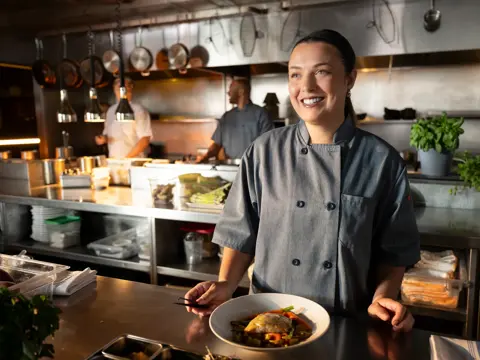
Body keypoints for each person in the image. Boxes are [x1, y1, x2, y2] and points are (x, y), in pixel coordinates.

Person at [185, 29, 420, 332]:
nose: (305, 86)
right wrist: (225, 284)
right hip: (266, 321)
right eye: (295, 75)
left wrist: (383, 297)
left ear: (350, 79)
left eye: (321, 72)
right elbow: (240, 232)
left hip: (344, 327)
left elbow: (394, 252)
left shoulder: (382, 161)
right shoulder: (263, 152)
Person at [196, 78, 274, 163]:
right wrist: (205, 157)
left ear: (241, 91)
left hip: (253, 167)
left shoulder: (261, 114)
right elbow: (217, 144)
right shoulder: (227, 117)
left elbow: (268, 144)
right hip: (230, 167)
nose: (228, 93)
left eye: (231, 88)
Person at [95, 77, 152, 158]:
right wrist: (103, 139)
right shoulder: (110, 111)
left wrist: (125, 159)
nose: (120, 88)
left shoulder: (138, 110)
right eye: (117, 85)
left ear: (130, 88)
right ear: (114, 89)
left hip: (134, 162)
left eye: (124, 86)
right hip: (114, 161)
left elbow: (144, 140)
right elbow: (108, 136)